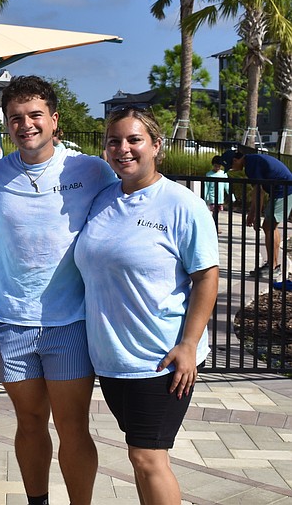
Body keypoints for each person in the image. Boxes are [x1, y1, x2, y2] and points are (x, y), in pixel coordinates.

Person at [75, 105, 219, 505]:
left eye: (135, 139)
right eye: (114, 141)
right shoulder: (103, 199)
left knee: (148, 457)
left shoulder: (181, 204)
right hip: (113, 358)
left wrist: (189, 344)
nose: (124, 148)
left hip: (161, 358)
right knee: (140, 457)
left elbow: (206, 276)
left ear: (156, 145)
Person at [0, 75, 116, 505]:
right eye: (16, 117)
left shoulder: (91, 170)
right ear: (7, 123)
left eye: (35, 115)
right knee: (30, 420)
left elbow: (124, 216)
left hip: (71, 322)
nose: (26, 124)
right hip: (11, 322)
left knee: (73, 425)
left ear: (54, 120)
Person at [221, 149, 292, 281]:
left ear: (236, 160)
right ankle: (272, 265)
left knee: (269, 227)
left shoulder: (251, 166)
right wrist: (253, 213)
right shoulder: (252, 161)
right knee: (269, 227)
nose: (231, 169)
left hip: (284, 191)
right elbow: (258, 191)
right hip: (280, 191)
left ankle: (273, 268)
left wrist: (255, 215)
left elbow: (258, 192)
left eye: (230, 166)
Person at [204, 155, 230, 231]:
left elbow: (227, 186)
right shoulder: (209, 174)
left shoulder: (223, 174)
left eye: (219, 166)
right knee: (215, 212)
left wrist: (231, 195)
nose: (217, 167)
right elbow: (206, 186)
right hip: (212, 197)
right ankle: (215, 227)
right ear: (213, 165)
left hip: (220, 197)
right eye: (216, 166)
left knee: (216, 212)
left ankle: (213, 226)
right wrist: (205, 197)